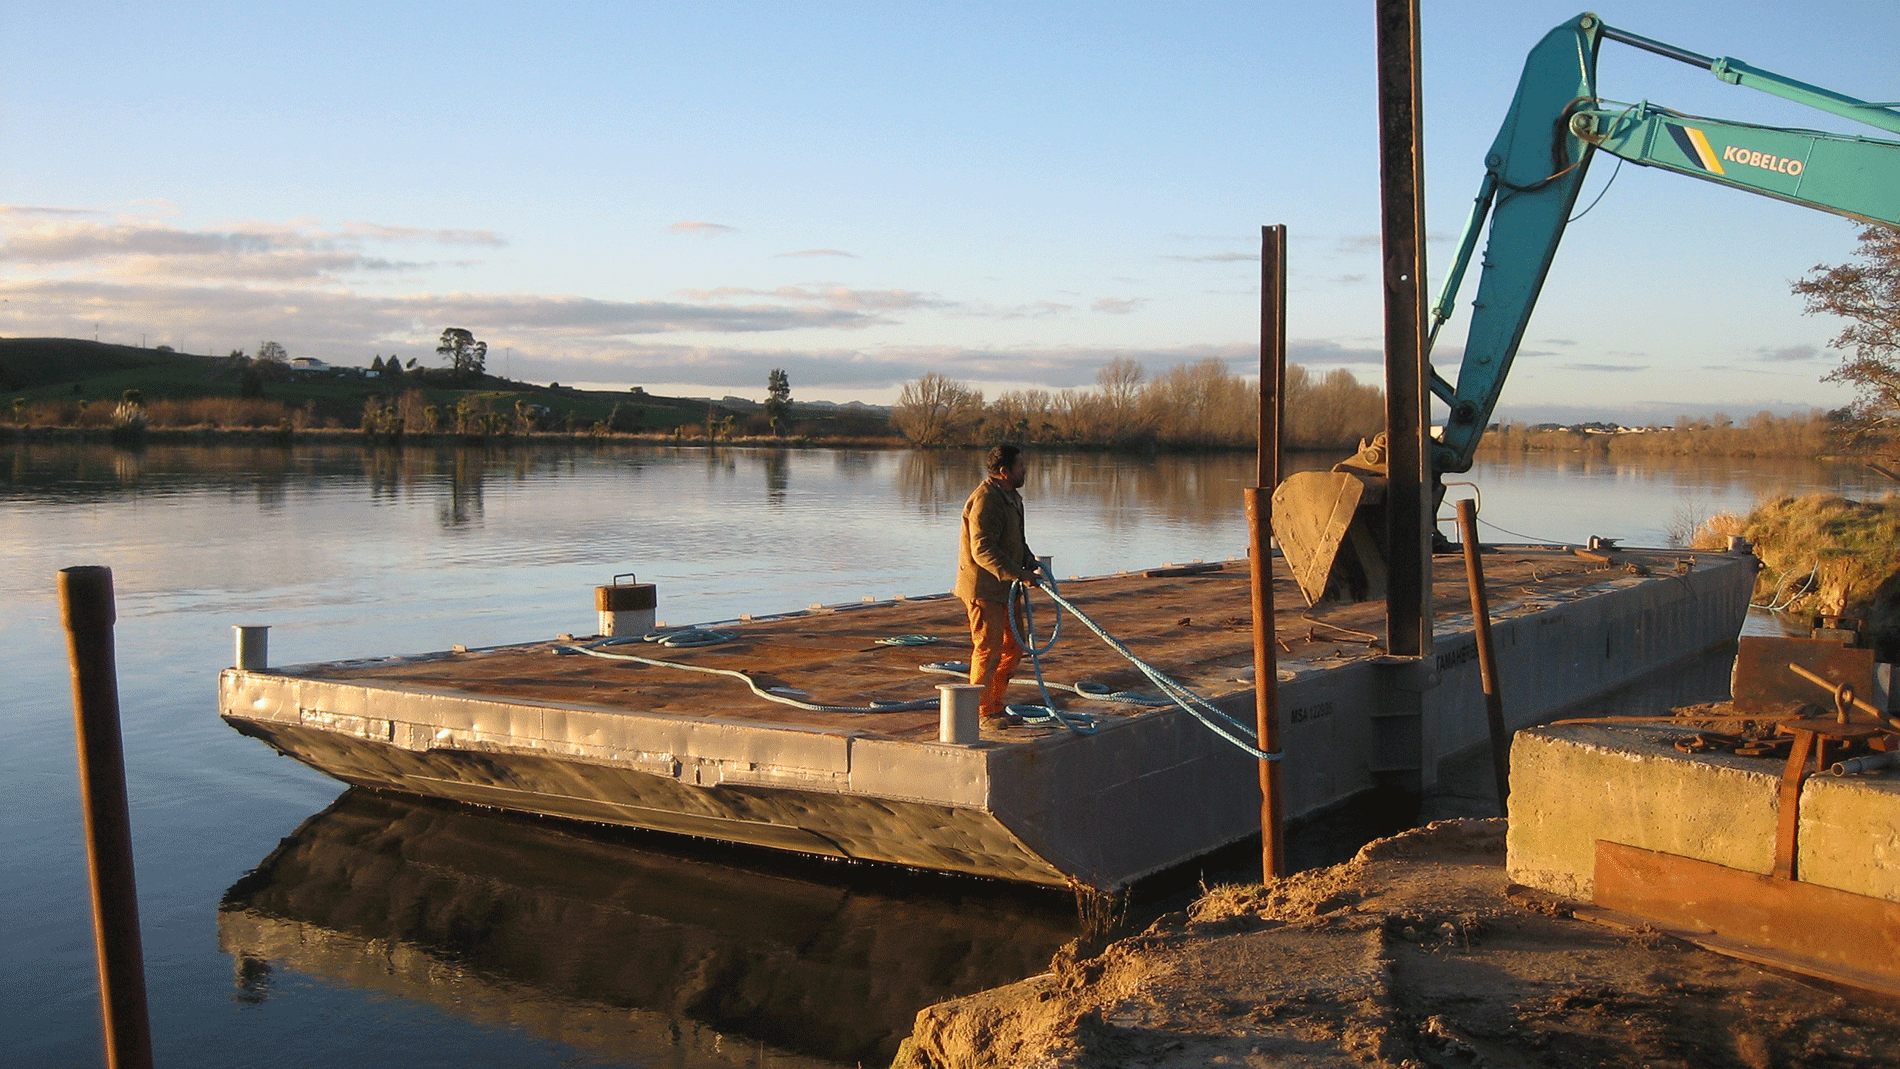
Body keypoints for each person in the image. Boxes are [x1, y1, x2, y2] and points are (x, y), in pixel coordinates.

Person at [955, 444, 1041, 721]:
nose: (1024, 470)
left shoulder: (1012, 498)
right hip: (985, 590)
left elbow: (1017, 540)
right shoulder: (986, 499)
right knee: (988, 651)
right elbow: (982, 550)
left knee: (1014, 649)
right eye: (1020, 466)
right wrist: (1018, 574)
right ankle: (980, 712)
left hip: (1007, 589)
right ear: (1004, 471)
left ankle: (994, 704)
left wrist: (1028, 560)